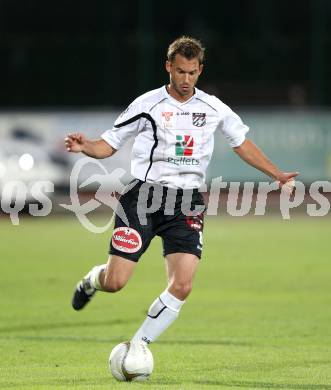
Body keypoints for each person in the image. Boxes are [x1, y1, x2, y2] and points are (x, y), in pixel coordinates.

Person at [65, 36, 297, 350]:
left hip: (187, 202)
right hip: (143, 199)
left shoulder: (212, 107)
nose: (185, 79)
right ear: (168, 68)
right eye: (179, 71)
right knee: (116, 282)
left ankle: (138, 346)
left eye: (191, 72)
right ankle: (94, 279)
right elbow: (109, 143)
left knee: (182, 285)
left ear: (200, 70)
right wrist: (85, 147)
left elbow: (241, 142)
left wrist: (277, 175)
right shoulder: (148, 104)